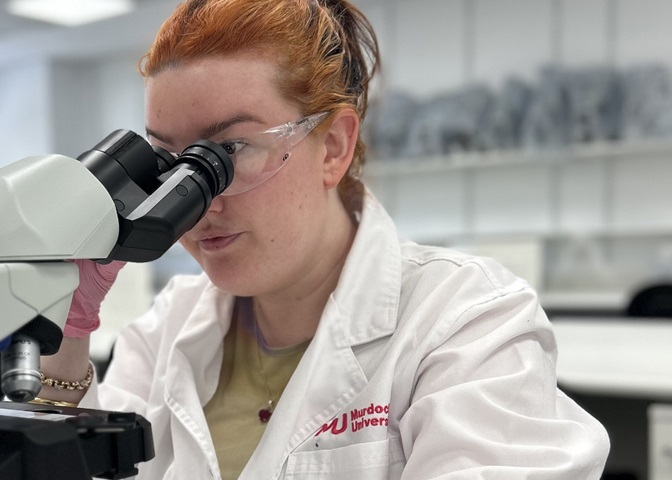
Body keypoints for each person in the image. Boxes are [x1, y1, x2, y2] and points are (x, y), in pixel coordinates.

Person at [38, 0, 610, 478]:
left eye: (228, 152)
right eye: (171, 162)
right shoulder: (167, 328)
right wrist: (64, 336)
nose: (198, 203)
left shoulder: (466, 323)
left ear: (333, 146)